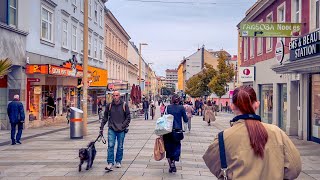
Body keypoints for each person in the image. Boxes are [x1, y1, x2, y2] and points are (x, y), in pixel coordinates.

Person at [203, 86, 301, 179]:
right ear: (257, 104)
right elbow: (294, 168)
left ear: (232, 106)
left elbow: (213, 165)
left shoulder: (223, 138)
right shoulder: (277, 132)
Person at [100, 91, 131, 171]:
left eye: (117, 95)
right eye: (114, 95)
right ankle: (110, 162)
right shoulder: (109, 106)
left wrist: (123, 125)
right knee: (110, 145)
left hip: (121, 130)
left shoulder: (124, 105)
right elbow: (105, 117)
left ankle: (118, 161)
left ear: (119, 96)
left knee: (120, 146)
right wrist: (101, 127)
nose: (115, 97)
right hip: (112, 128)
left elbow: (128, 117)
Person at [163, 95, 188, 173]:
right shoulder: (181, 108)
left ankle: (170, 163)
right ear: (179, 100)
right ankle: (173, 161)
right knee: (176, 146)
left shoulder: (168, 107)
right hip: (177, 130)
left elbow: (163, 117)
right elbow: (186, 119)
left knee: (168, 147)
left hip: (168, 130)